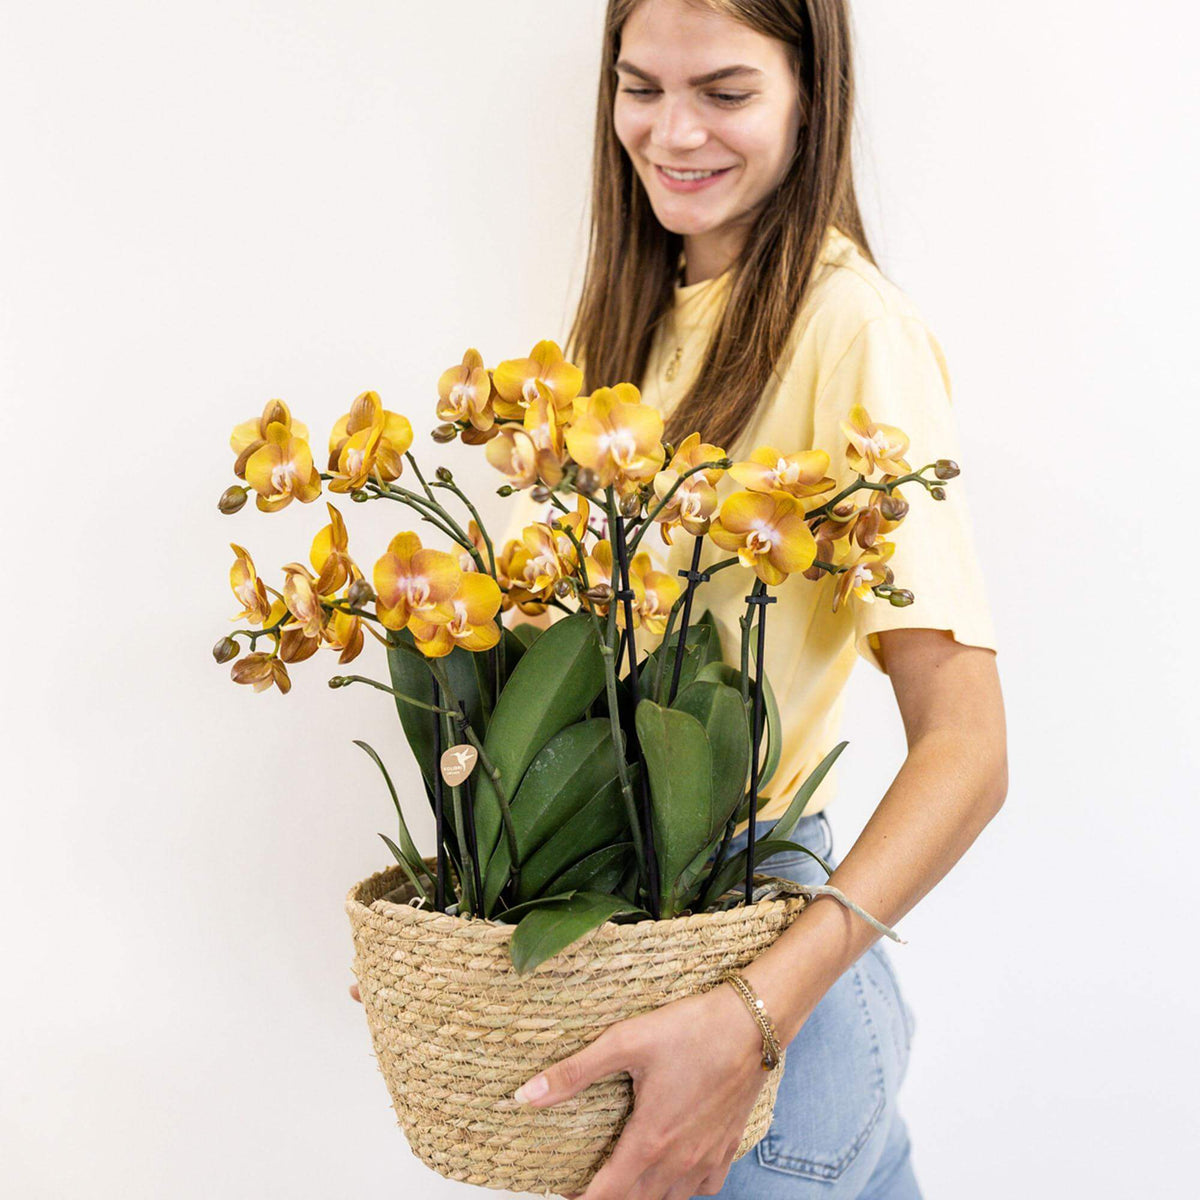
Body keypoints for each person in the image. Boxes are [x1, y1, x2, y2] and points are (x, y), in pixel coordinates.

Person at [352, 2, 1007, 1197]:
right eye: (639, 86)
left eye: (726, 91)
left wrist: (754, 1014)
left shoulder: (849, 328)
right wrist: (462, 926)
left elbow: (969, 748)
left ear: (815, 96)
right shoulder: (627, 321)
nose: (671, 132)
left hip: (754, 984)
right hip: (636, 957)